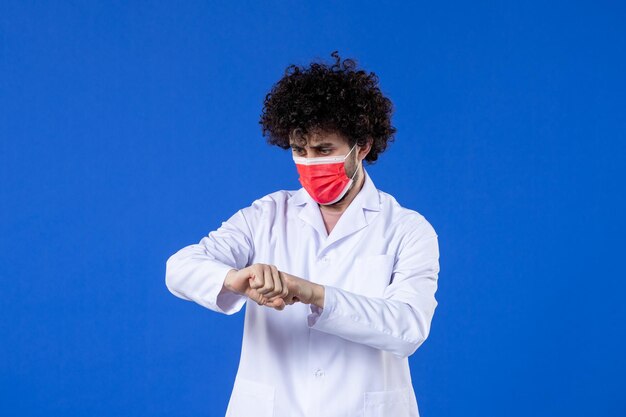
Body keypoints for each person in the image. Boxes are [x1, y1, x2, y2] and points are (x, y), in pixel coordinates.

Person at [165, 51, 440, 417]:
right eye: (299, 150)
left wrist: (311, 293)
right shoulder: (266, 214)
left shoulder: (407, 229)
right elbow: (179, 268)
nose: (310, 162)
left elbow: (408, 328)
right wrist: (235, 279)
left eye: (324, 149)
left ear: (363, 147)